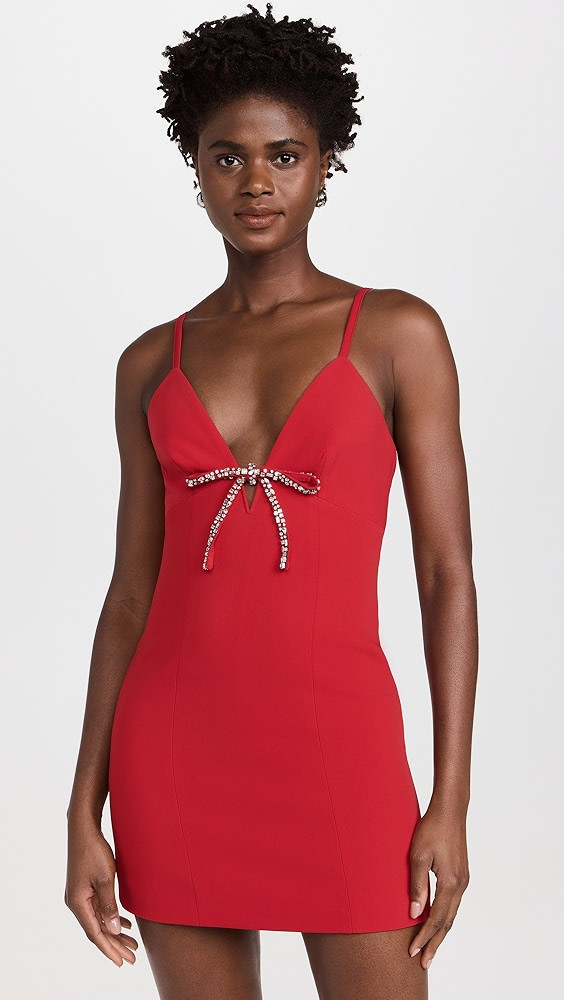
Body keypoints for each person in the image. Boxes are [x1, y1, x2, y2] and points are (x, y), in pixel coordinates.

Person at [65, 5, 477, 998]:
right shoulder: (149, 362)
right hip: (173, 750)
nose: (256, 182)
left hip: (340, 747)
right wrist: (83, 807)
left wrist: (451, 799)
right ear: (196, 168)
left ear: (325, 163)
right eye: (228, 158)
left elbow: (444, 574)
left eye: (284, 156)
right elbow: (130, 595)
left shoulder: (396, 333)